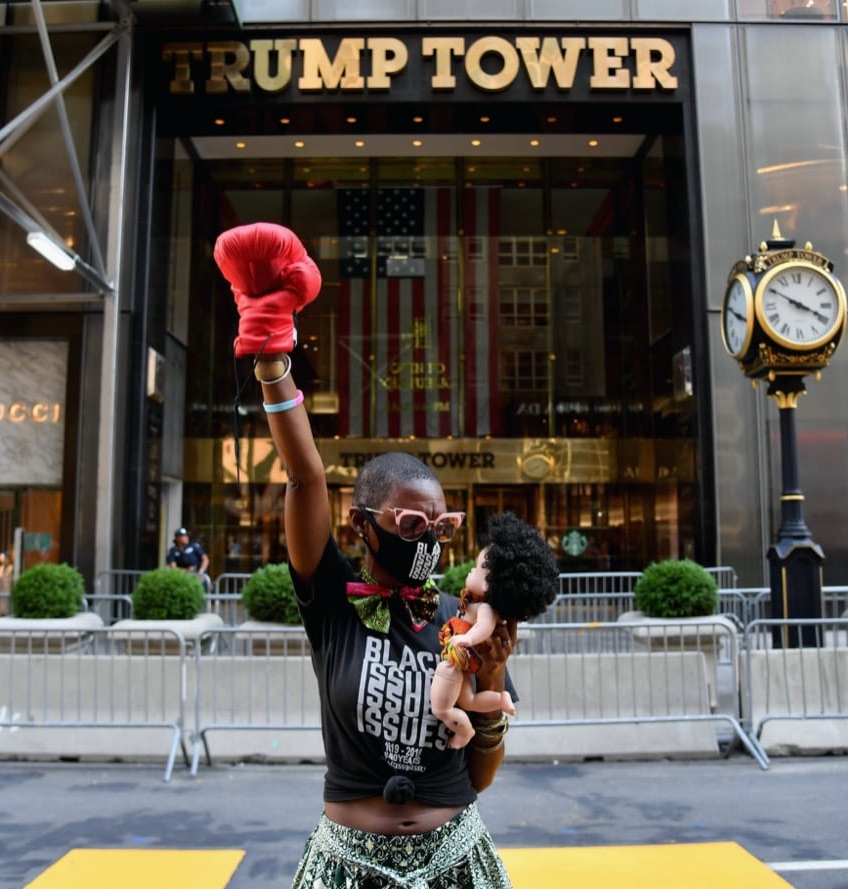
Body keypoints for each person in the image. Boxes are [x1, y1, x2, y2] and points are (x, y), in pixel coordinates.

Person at [215, 221, 521, 888]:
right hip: (346, 864)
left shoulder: (461, 619)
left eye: (441, 527)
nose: (429, 540)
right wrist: (272, 364)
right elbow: (305, 478)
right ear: (361, 526)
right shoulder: (332, 603)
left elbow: (480, 775)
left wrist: (489, 700)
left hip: (455, 859)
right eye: (412, 522)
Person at [430, 514, 558, 749]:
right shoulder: (476, 603)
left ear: (490, 584)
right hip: (462, 658)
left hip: (457, 657)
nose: (469, 572)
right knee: (467, 700)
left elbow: (483, 627)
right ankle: (500, 699)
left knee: (441, 706)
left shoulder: (486, 610)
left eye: (476, 570)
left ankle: (465, 730)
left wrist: (467, 638)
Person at [166, 527, 210, 593]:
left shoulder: (194, 546)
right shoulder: (173, 551)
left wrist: (201, 571)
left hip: (197, 576)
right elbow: (173, 567)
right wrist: (187, 571)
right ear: (177, 538)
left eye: (186, 535)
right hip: (181, 578)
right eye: (183, 536)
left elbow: (205, 559)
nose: (186, 537)